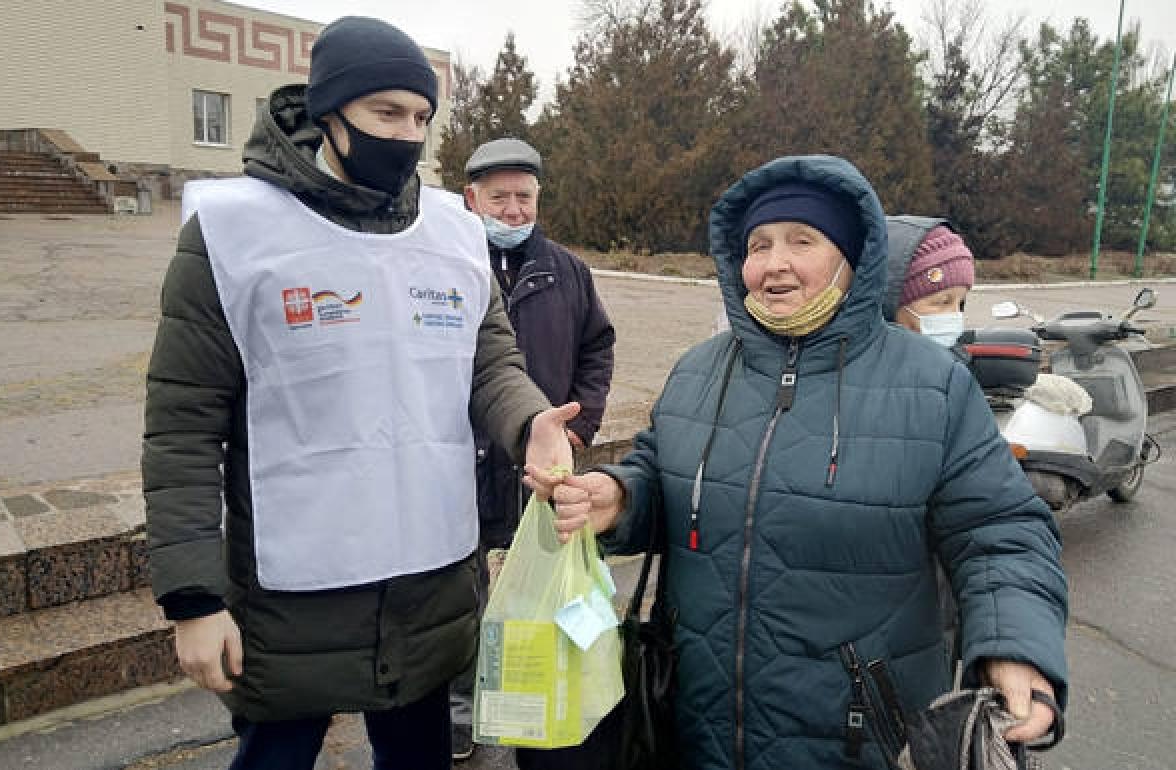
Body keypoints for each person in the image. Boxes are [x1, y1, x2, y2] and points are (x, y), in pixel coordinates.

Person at [529, 155, 1068, 769]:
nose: (774, 263)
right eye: (758, 244)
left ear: (850, 258)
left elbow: (1001, 531)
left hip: (857, 738)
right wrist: (619, 495)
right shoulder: (699, 371)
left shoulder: (933, 385)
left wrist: (1016, 645)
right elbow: (663, 471)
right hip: (697, 729)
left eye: (802, 240)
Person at [142, 16, 577, 770]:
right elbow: (181, 427)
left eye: (421, 118)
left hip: (429, 581)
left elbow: (489, 364)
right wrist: (193, 600)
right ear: (329, 113)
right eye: (387, 113)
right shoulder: (234, 232)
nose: (407, 134)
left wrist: (531, 419)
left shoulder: (452, 231)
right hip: (293, 590)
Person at [450, 137, 616, 760]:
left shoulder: (566, 270)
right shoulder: (450, 265)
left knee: (538, 590)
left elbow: (598, 346)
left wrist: (580, 426)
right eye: (500, 197)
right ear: (472, 199)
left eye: (525, 196)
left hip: (543, 468)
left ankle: (532, 698)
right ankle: (463, 712)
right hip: (465, 464)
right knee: (463, 597)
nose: (515, 210)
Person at [883, 216, 975, 346]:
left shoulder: (954, 362)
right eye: (943, 302)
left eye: (960, 304)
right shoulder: (856, 363)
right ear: (890, 301)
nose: (955, 317)